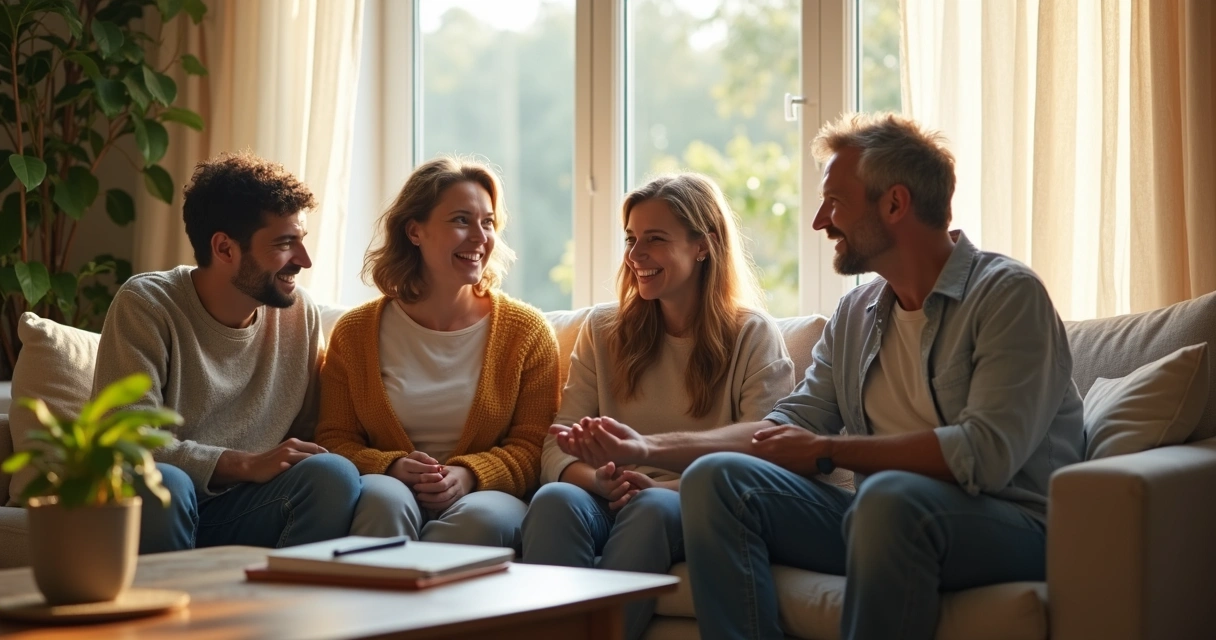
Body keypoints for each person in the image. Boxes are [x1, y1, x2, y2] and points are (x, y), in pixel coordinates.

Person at [552, 113, 1086, 640]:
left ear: (895, 204)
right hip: (878, 514)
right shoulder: (857, 313)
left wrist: (830, 448)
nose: (819, 221)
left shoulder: (1007, 296)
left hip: (1009, 522)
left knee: (888, 501)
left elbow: (983, 456)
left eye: (836, 203)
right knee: (717, 477)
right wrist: (646, 448)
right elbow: (779, 430)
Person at [523, 173, 795, 640]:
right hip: (606, 496)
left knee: (650, 508)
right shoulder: (603, 329)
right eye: (631, 239)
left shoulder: (753, 336)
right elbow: (556, 447)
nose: (635, 254)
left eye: (655, 239)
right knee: (554, 499)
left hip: (688, 503)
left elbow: (764, 457)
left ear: (703, 245)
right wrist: (599, 481)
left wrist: (656, 487)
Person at [93, 152, 362, 553]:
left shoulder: (298, 314)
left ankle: (282, 608)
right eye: (285, 244)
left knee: (333, 474)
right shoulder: (148, 304)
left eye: (301, 241)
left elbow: (308, 435)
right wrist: (242, 463)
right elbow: (125, 440)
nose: (304, 261)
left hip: (246, 507)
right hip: (160, 504)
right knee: (166, 481)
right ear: (224, 249)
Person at [316, 156, 559, 551]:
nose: (480, 237)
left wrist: (468, 475)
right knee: (382, 500)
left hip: (485, 496)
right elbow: (334, 439)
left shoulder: (526, 332)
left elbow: (535, 448)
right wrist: (390, 466)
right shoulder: (355, 332)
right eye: (462, 220)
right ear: (415, 231)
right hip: (389, 486)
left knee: (482, 519)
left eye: (488, 222)